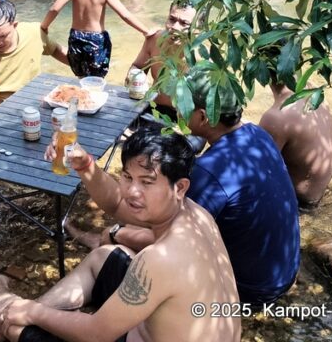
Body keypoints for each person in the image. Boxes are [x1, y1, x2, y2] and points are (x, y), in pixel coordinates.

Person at [0, 132, 240, 342]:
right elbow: (116, 205)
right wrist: (84, 165)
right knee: (105, 255)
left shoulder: (160, 259)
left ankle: (5, 319)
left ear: (180, 186)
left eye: (147, 182)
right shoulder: (196, 214)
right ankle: (9, 311)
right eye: (127, 177)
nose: (132, 191)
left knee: (22, 328)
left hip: (118, 333)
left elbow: (97, 334)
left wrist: (34, 312)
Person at [101, 72, 301, 306]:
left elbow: (171, 242)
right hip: (283, 274)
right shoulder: (258, 134)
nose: (178, 109)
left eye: (183, 103)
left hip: (247, 290)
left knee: (122, 249)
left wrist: (116, 233)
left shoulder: (209, 172)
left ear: (203, 117)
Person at [258, 75, 332, 207]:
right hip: (319, 193)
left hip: (299, 204)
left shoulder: (276, 117)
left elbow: (258, 173)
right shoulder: (314, 90)